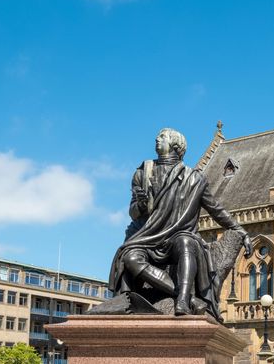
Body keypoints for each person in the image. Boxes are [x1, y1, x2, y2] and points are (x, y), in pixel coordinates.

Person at [108, 128, 252, 318]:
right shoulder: (143, 173)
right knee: (130, 258)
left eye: (162, 137)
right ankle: (189, 298)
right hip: (148, 237)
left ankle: (183, 301)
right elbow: (133, 213)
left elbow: (216, 209)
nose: (156, 139)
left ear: (176, 145)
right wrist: (141, 205)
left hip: (179, 236)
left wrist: (240, 230)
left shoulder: (195, 179)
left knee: (186, 242)